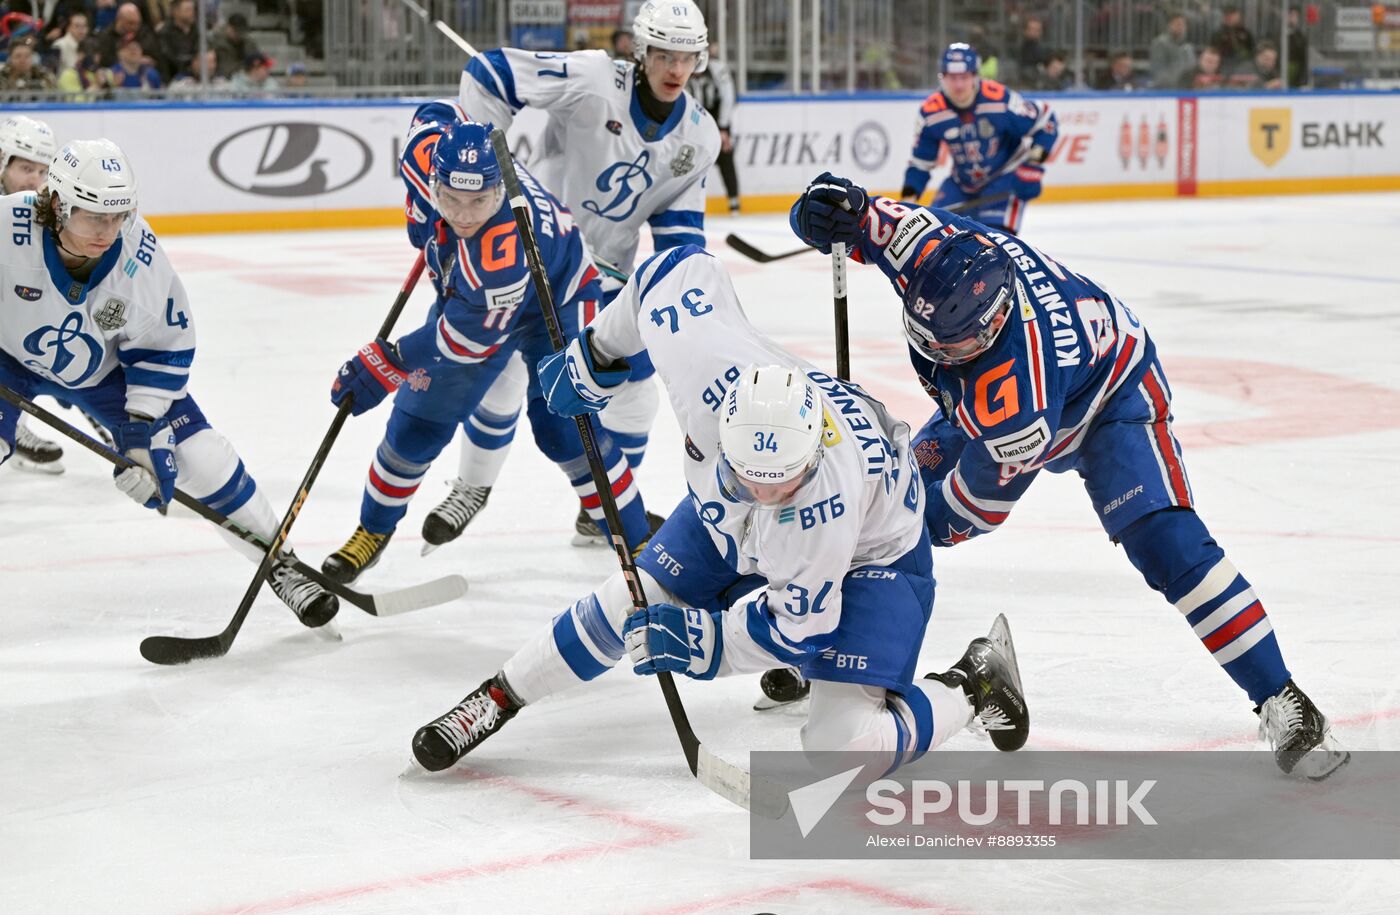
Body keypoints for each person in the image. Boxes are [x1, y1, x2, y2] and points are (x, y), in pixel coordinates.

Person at [786, 174, 1350, 781]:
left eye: (957, 347)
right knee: (883, 500)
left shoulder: (1016, 403)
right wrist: (820, 214)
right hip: (987, 396)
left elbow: (975, 510)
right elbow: (856, 219)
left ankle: (1282, 697)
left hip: (1111, 397)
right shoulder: (930, 247)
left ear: (995, 324)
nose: (938, 356)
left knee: (1166, 543)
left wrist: (886, 532)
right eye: (931, 344)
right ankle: (823, 642)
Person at [408, 246, 1030, 775]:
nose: (764, 493)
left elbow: (798, 625)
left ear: (811, 458)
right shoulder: (708, 377)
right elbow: (671, 272)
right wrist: (598, 350)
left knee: (843, 751)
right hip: (728, 523)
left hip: (874, 556)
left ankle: (977, 682)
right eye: (748, 476)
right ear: (723, 429)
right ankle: (499, 695)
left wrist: (703, 643)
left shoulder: (818, 512)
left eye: (780, 484)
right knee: (626, 601)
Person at [0, 138, 340, 631]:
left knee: (199, 457)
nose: (109, 231)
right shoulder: (7, 226)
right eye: (95, 216)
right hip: (8, 361)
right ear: (57, 205)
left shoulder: (138, 255)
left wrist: (140, 432)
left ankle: (280, 563)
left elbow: (162, 346)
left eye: (119, 215)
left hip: (106, 375)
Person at [423, 0, 721, 552]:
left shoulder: (699, 139)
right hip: (534, 260)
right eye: (663, 54)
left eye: (686, 57)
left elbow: (679, 234)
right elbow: (490, 72)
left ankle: (606, 507)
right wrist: (491, 163)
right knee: (508, 375)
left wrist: (678, 302)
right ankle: (471, 486)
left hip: (607, 281)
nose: (674, 69)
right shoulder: (591, 78)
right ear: (641, 50)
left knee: (635, 392)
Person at [321, 111, 657, 582]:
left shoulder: (501, 249)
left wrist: (388, 361)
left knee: (566, 427)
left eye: (478, 201)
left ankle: (636, 539)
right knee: (417, 424)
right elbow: (436, 115)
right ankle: (372, 532)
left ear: (499, 191)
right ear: (432, 176)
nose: (462, 213)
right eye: (450, 198)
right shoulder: (424, 154)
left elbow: (463, 342)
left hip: (555, 301)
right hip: (472, 303)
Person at [900, 42, 1058, 236]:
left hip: (1004, 178)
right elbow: (920, 164)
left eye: (964, 77)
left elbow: (1045, 120)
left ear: (975, 75)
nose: (958, 85)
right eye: (951, 78)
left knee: (994, 244)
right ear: (942, 77)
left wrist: (1033, 165)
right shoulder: (931, 112)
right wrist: (906, 206)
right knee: (936, 235)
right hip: (961, 183)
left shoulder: (1000, 100)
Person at [0, 114, 66, 475]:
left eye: (43, 172)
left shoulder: (42, 212)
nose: (35, 181)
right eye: (26, 168)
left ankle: (12, 423)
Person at [688, 41, 740, 214]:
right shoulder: (682, 67)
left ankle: (734, 202)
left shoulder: (718, 68)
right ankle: (689, 202)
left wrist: (723, 127)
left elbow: (728, 97)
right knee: (689, 161)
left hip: (716, 120)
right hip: (692, 122)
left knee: (725, 158)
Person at [154, 0, 198, 83]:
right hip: (173, 75)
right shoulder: (165, 32)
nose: (192, 13)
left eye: (193, 9)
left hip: (196, 74)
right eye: (187, 10)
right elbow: (167, 56)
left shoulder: (196, 29)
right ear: (176, 12)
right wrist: (189, 64)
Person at [1150, 12, 1195, 89]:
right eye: (1178, 24)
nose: (1181, 27)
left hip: (1186, 89)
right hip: (1166, 91)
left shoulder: (1188, 46)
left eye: (1183, 24)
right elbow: (1159, 71)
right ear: (1169, 25)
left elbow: (1192, 67)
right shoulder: (1160, 44)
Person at [1210, 4, 1254, 72]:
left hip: (1243, 64)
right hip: (1222, 65)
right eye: (1226, 15)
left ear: (1238, 16)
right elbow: (1213, 51)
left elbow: (1251, 50)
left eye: (1232, 14)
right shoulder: (1218, 34)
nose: (1229, 17)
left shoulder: (1245, 33)